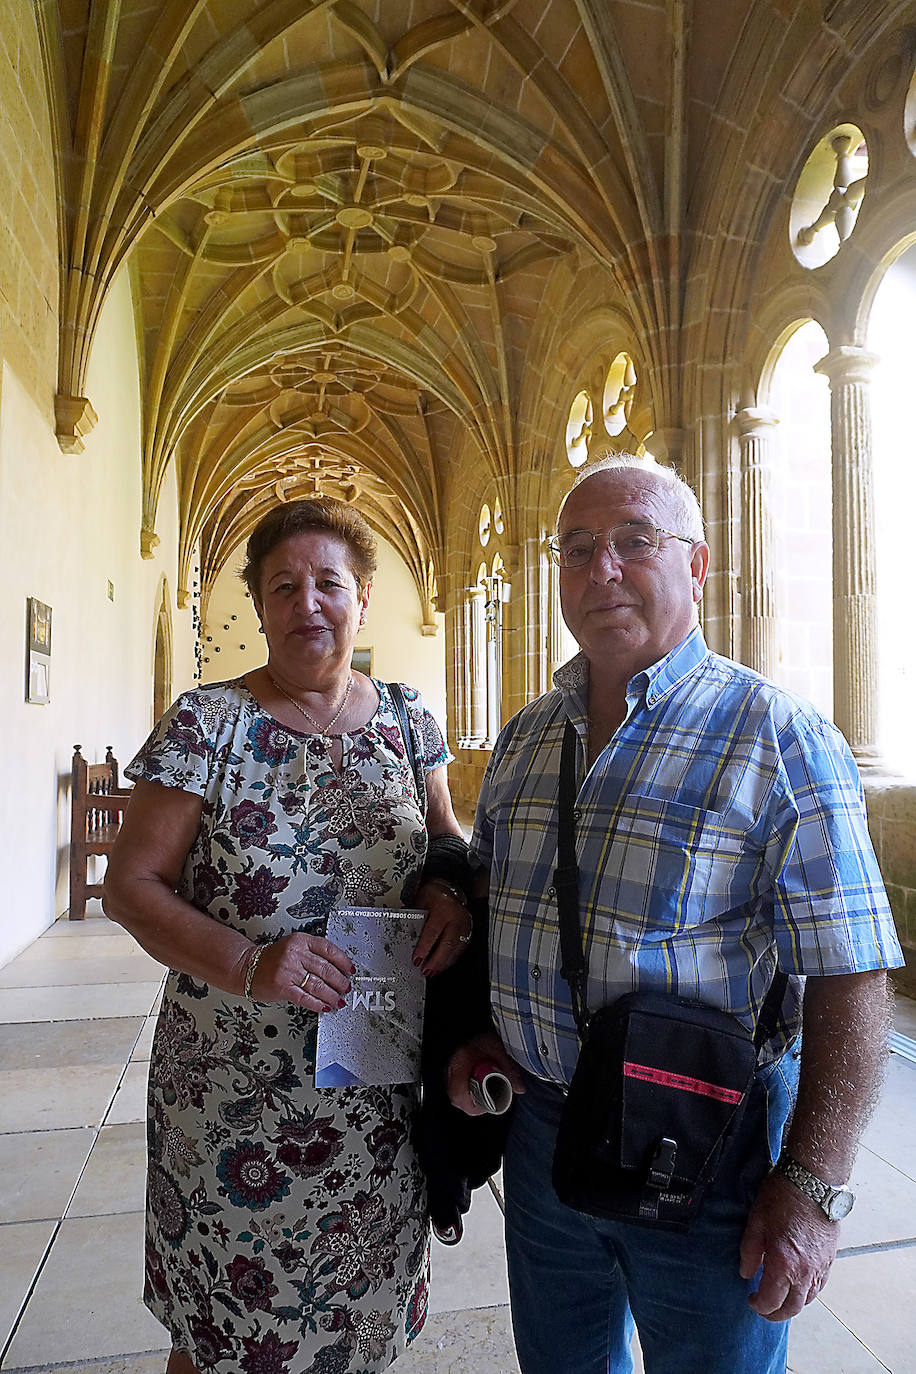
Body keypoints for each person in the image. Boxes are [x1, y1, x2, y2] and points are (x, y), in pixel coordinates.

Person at [447, 454, 903, 1374]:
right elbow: (498, 902)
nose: (601, 569)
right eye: (577, 549)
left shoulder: (775, 734)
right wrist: (488, 1031)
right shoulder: (530, 736)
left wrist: (813, 1189)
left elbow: (853, 972)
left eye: (633, 542)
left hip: (709, 1138)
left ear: (696, 566)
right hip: (543, 1133)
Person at [104, 497, 475, 1374]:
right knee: (222, 1324)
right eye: (284, 586)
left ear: (362, 598)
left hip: (375, 1090)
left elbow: (445, 839)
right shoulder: (208, 724)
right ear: (260, 606)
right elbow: (131, 886)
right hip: (232, 1090)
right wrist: (250, 962)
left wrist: (449, 892)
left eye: (328, 583)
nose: (308, 603)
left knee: (357, 1321)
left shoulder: (407, 721)